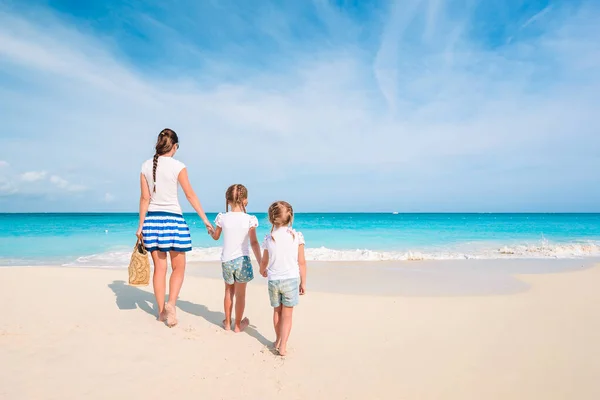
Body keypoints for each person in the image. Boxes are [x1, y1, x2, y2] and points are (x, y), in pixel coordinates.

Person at [136, 128, 213, 327]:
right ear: (175, 146)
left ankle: (162, 312)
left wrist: (140, 226)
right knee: (179, 267)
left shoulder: (145, 165)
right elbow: (190, 195)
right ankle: (171, 304)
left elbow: (145, 198)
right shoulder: (178, 166)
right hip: (174, 221)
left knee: (159, 269)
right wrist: (205, 220)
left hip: (152, 222)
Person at [210, 184, 262, 332]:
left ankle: (227, 323)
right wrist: (260, 262)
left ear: (228, 200)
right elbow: (254, 242)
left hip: (227, 260)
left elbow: (216, 237)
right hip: (242, 261)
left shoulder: (222, 217)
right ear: (245, 200)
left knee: (228, 291)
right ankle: (238, 325)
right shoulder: (249, 219)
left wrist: (210, 231)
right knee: (240, 294)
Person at [259, 201, 307, 356]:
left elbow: (264, 261)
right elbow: (301, 262)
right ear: (290, 217)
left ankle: (278, 339)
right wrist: (303, 282)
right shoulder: (296, 237)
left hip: (274, 280)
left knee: (277, 312)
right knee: (287, 315)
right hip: (291, 280)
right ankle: (283, 346)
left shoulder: (269, 238)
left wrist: (262, 270)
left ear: (272, 218)